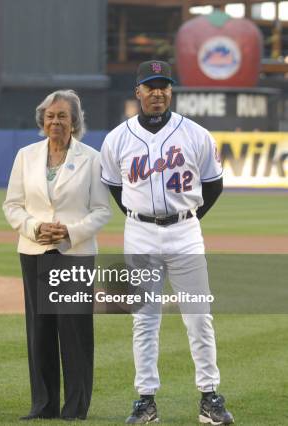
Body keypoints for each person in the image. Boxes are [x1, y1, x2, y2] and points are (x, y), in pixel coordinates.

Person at [99, 60, 234, 425]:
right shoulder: (117, 138)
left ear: (171, 91)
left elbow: (214, 184)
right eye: (150, 85)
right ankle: (146, 401)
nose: (157, 92)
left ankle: (209, 398)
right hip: (139, 232)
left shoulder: (195, 134)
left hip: (186, 233)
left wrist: (186, 220)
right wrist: (141, 218)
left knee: (199, 317)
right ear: (138, 92)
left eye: (164, 85)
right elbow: (114, 186)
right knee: (144, 320)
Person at [3, 90, 111, 420]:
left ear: (75, 121)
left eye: (63, 116)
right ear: (42, 119)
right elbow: (12, 205)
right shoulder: (26, 155)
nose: (55, 122)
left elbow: (101, 210)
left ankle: (75, 407)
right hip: (34, 250)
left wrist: (69, 232)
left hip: (74, 253)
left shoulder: (92, 158)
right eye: (50, 116)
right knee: (40, 330)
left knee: (75, 332)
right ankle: (44, 405)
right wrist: (35, 228)